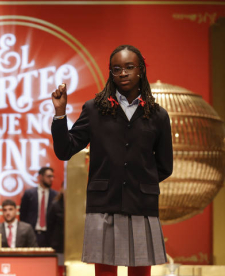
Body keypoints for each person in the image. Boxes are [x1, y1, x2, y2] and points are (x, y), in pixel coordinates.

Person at [51, 45, 173, 276]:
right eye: (117, 69)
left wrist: (139, 181)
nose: (123, 73)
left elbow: (165, 166)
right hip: (103, 204)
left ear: (141, 70)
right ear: (111, 73)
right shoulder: (94, 109)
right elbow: (65, 150)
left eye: (129, 67)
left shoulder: (158, 115)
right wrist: (60, 114)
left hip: (141, 206)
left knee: (140, 273)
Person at [19, 167, 58, 247]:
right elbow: (23, 215)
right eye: (49, 176)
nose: (51, 179)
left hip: (49, 235)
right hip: (32, 233)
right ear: (40, 176)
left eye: (52, 176)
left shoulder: (55, 196)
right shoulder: (29, 194)